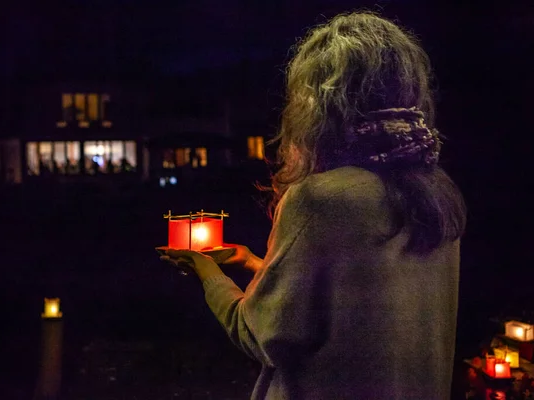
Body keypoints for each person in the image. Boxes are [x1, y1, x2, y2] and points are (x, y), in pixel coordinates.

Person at [161, 11, 466, 400]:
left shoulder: (322, 198)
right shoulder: (438, 194)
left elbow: (262, 333)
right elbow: (360, 303)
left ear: (319, 102)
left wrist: (206, 272)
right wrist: (259, 265)